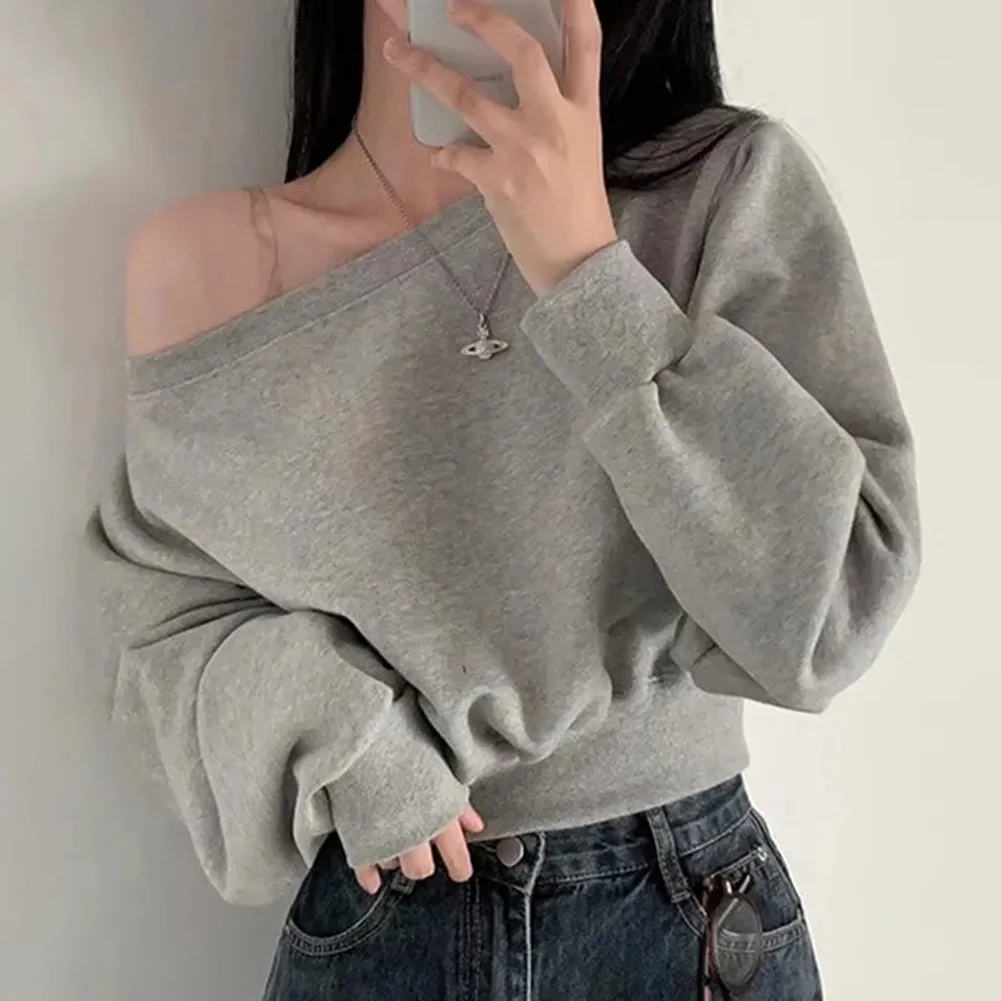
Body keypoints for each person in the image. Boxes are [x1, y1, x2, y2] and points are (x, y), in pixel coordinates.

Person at [85, 0, 921, 997]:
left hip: (680, 913)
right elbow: (161, 626)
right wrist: (350, 744)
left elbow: (828, 613)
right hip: (385, 917)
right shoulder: (209, 262)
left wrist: (585, 272)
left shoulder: (721, 189)